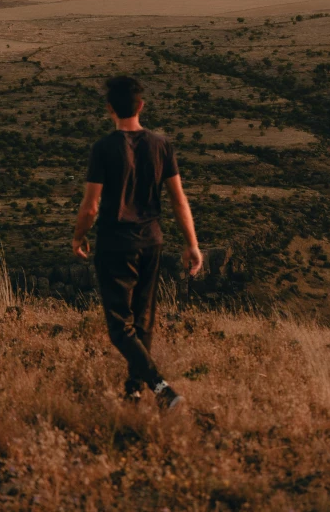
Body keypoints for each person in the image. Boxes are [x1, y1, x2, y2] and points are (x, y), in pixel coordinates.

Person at [72, 75, 203, 410]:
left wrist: (78, 236)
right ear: (141, 106)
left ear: (109, 109)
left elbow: (90, 206)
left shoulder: (103, 148)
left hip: (115, 244)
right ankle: (133, 390)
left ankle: (160, 388)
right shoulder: (161, 145)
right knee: (143, 319)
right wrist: (192, 244)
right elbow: (178, 200)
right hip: (151, 242)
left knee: (119, 327)